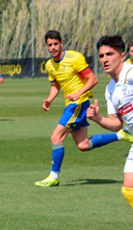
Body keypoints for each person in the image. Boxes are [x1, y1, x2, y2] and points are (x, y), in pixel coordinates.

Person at [35, 30, 123, 187]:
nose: (53, 47)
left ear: (61, 44)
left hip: (79, 103)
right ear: (47, 47)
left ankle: (54, 176)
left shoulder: (74, 58)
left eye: (56, 44)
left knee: (56, 137)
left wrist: (79, 93)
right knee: (83, 145)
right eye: (50, 45)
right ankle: (122, 135)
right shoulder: (50, 65)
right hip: (72, 104)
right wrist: (49, 99)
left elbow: (92, 79)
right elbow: (55, 86)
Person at [87, 35, 133, 209]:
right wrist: (98, 118)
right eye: (101, 56)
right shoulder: (110, 89)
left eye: (109, 54)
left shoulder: (130, 73)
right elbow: (116, 123)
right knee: (128, 189)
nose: (105, 59)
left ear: (122, 56)